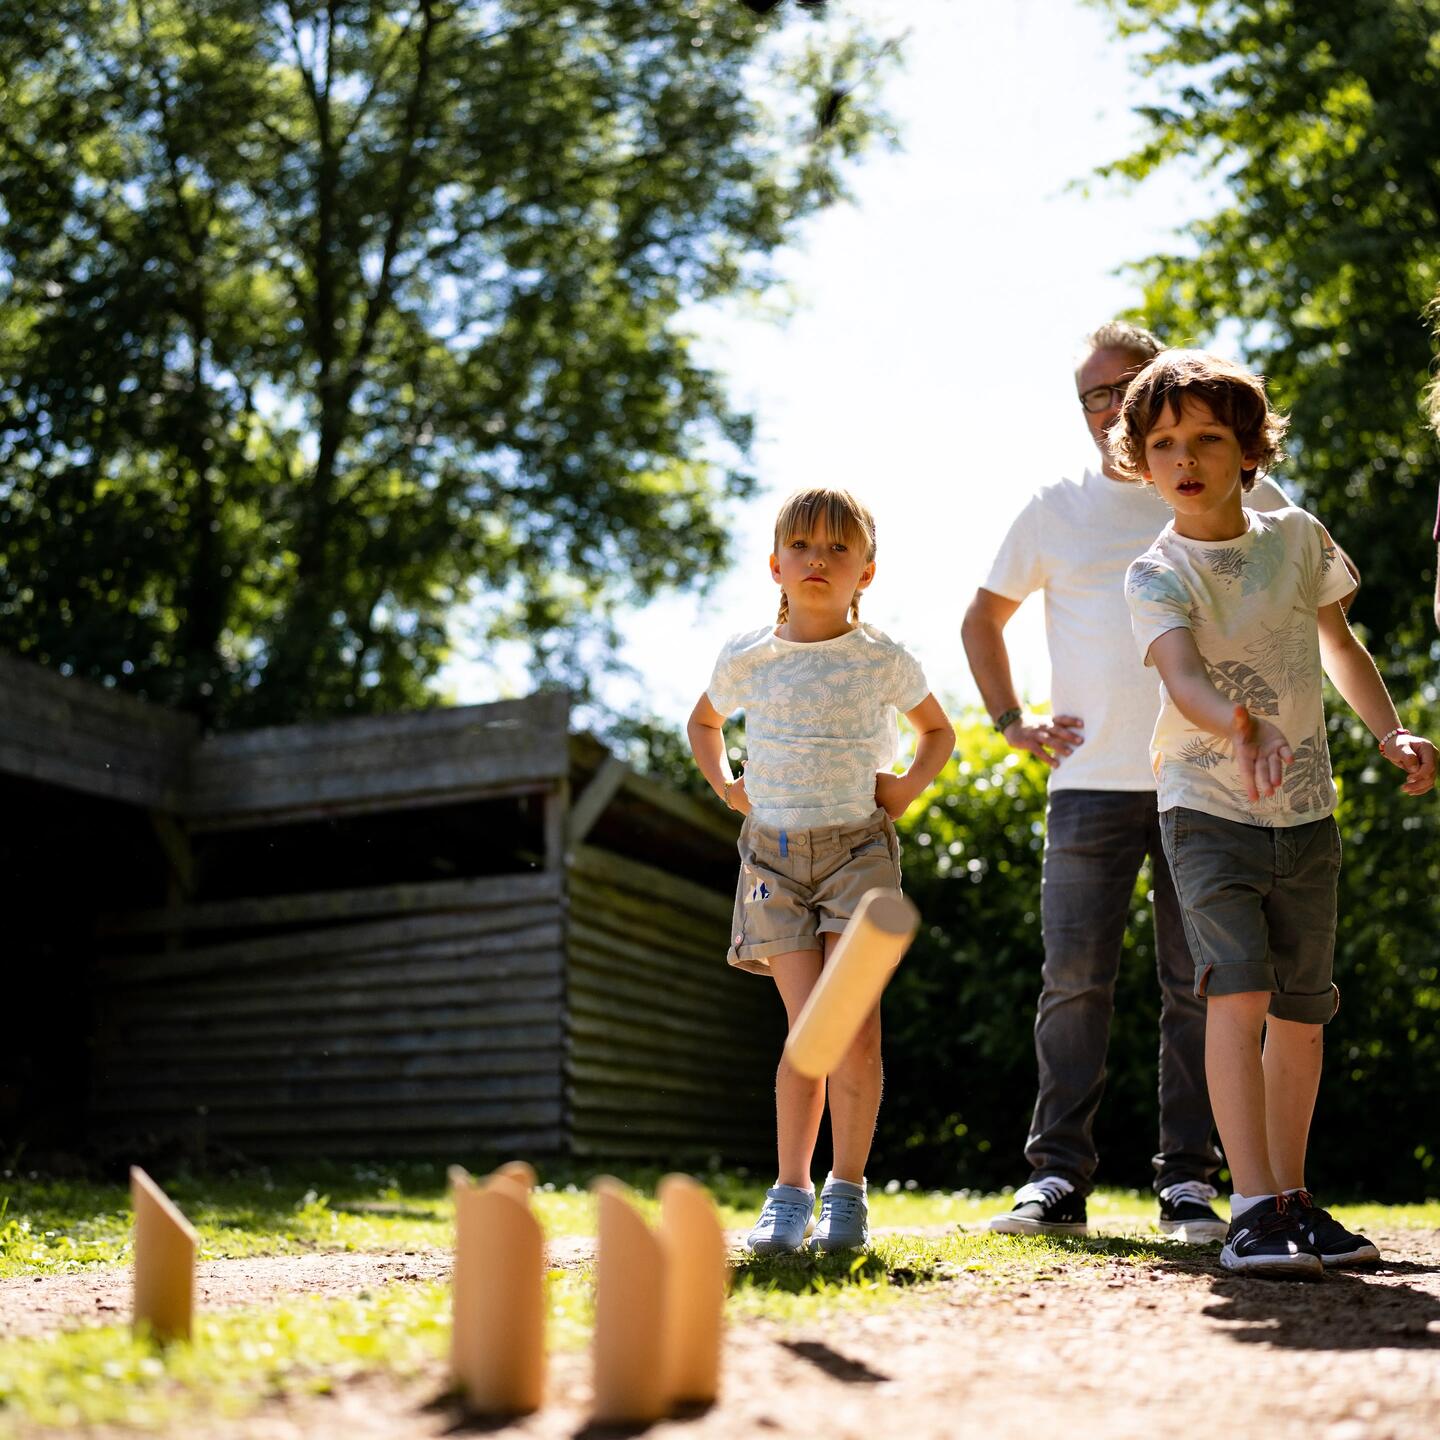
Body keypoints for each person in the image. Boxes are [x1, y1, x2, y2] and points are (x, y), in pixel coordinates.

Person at [964, 321, 1359, 1242]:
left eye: (1120, 387)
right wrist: (1008, 721)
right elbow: (980, 618)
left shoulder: (1240, 487)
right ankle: (1056, 1176)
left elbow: (1316, 609)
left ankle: (1190, 1182)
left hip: (1220, 787)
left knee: (1207, 987)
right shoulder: (1055, 507)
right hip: (1092, 782)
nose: (1106, 408)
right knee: (1073, 979)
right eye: (1091, 397)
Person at [1119, 349, 1435, 1275]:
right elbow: (1181, 677)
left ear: (1249, 449)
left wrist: (1391, 731)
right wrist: (1239, 724)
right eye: (1164, 441)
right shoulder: (1155, 572)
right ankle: (1250, 1205)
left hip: (1306, 815)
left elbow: (1341, 646)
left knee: (1302, 1011)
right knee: (1240, 991)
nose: (1186, 457)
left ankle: (1293, 1197)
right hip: (1206, 807)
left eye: (1208, 437)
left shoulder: (1297, 539)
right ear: (1140, 459)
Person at [687, 487, 953, 1255]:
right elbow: (704, 722)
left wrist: (904, 787)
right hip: (774, 858)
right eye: (803, 546)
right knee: (808, 1033)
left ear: (866, 572)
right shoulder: (749, 658)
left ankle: (847, 1192)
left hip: (857, 857)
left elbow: (936, 732)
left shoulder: (883, 661)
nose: (819, 560)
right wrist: (725, 786)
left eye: (839, 548)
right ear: (775, 565)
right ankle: (788, 1193)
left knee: (855, 1030)